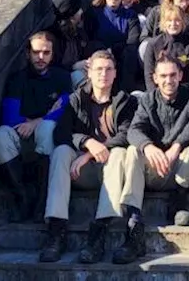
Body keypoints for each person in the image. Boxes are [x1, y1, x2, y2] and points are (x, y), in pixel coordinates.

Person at [42, 51, 140, 263]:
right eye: (98, 69)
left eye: (108, 69)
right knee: (60, 152)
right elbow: (61, 133)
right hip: (80, 173)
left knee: (119, 153)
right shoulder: (76, 99)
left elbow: (128, 135)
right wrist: (87, 142)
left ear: (115, 74)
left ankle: (99, 231)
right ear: (89, 72)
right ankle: (56, 230)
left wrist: (88, 154)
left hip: (112, 170)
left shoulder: (126, 101)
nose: (103, 74)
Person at [0, 31, 75, 223]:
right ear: (28, 54)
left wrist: (36, 121)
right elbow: (10, 117)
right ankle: (22, 196)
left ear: (53, 54)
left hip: (47, 136)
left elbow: (64, 110)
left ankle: (43, 199)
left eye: (46, 52)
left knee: (47, 127)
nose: (41, 57)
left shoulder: (62, 77)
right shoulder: (17, 79)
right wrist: (46, 114)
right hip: (21, 135)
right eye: (36, 52)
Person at [127, 55, 189, 235]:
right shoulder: (147, 100)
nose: (168, 80)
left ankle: (180, 197)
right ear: (155, 78)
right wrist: (148, 146)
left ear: (180, 75)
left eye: (173, 75)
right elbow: (133, 130)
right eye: (163, 76)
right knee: (134, 149)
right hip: (157, 169)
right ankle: (133, 214)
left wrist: (177, 145)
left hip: (184, 170)